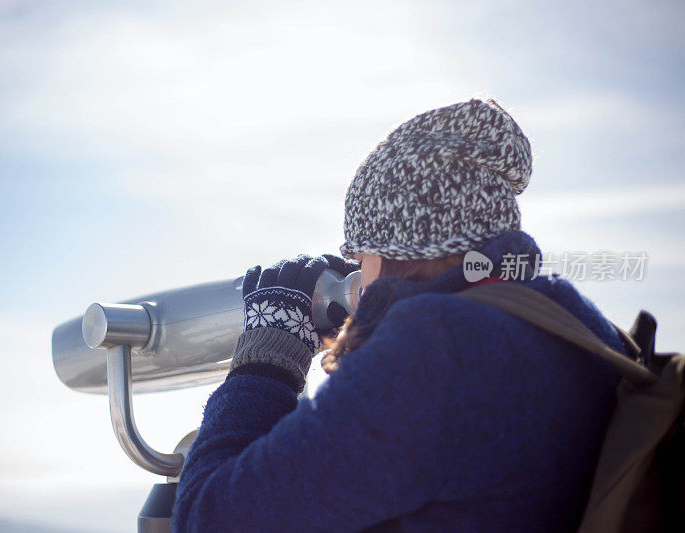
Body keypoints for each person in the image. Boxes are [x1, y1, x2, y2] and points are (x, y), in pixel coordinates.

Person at [171, 99, 628, 532]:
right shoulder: (579, 325)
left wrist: (267, 359)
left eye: (361, 254)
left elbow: (208, 518)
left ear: (397, 252)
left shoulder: (435, 351)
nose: (359, 276)